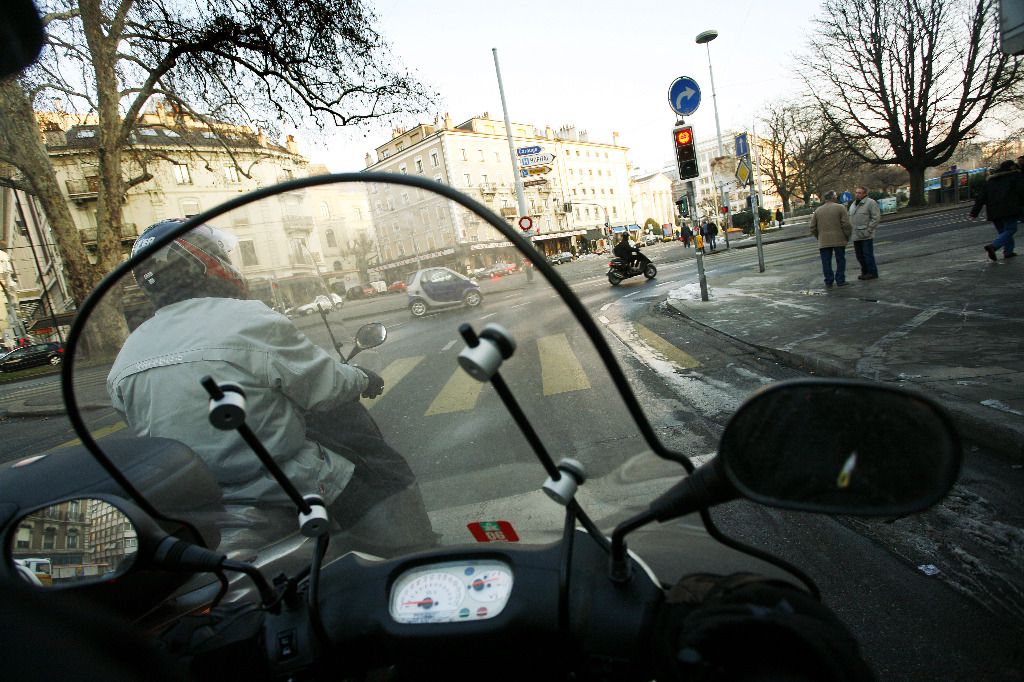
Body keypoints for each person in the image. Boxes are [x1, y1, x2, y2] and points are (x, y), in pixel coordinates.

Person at [107, 219, 431, 556]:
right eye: (219, 252)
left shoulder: (129, 351)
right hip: (276, 483)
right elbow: (326, 386)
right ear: (206, 262)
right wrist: (363, 378)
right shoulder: (247, 319)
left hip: (192, 500)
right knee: (383, 474)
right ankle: (411, 555)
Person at [969, 160, 1022, 261]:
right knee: (1011, 229)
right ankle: (994, 246)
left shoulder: (991, 180)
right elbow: (1021, 191)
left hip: (993, 210)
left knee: (1003, 232)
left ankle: (1008, 252)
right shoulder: (1014, 177)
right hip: (1009, 207)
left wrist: (974, 212)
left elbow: (981, 197)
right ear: (1011, 167)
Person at [810, 191, 853, 288]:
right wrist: (847, 235)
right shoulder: (840, 208)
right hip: (839, 239)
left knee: (826, 262)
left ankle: (828, 280)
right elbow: (846, 224)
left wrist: (819, 236)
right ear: (833, 198)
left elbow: (812, 227)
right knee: (840, 260)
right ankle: (840, 279)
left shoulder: (818, 210)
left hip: (823, 240)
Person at [848, 186, 881, 280]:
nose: (857, 194)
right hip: (855, 234)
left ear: (865, 194)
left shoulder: (870, 203)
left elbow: (876, 218)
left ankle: (872, 272)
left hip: (866, 234)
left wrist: (869, 230)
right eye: (856, 192)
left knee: (867, 254)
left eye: (859, 193)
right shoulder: (853, 204)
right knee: (859, 255)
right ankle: (865, 272)